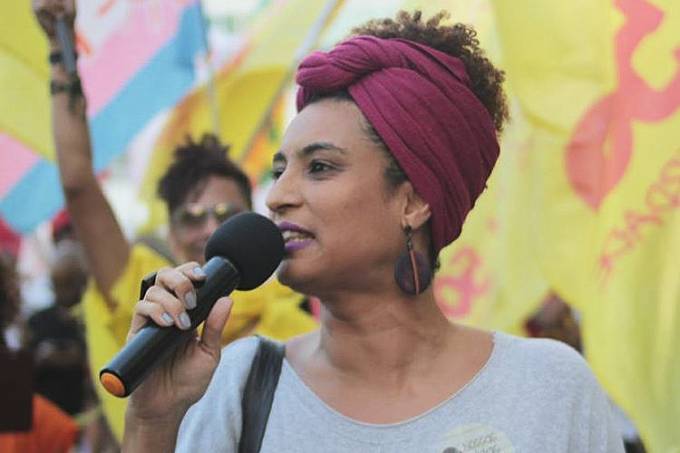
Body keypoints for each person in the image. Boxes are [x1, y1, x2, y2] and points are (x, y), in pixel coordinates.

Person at [122, 10, 625, 452]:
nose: (277, 197)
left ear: (414, 200)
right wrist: (152, 421)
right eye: (279, 171)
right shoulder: (239, 382)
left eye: (319, 167)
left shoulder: (548, 388)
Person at [32, 0, 317, 442]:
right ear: (169, 230)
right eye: (192, 217)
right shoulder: (148, 301)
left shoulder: (298, 311)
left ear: (250, 222)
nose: (208, 229)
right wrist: (60, 47)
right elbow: (78, 183)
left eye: (225, 216)